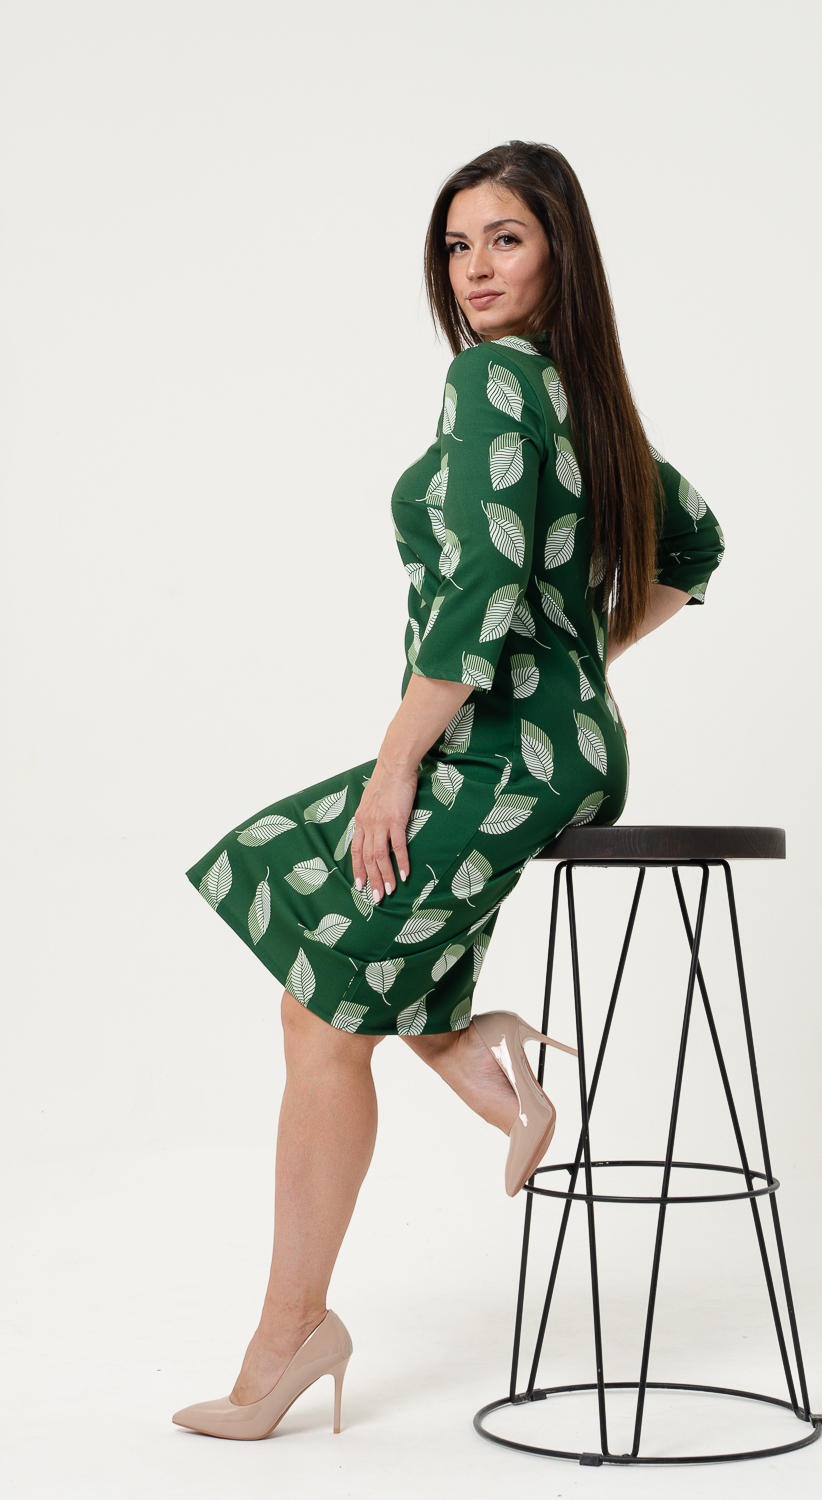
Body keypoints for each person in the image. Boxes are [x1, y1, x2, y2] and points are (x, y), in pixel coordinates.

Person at [173, 140, 724, 1441]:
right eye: (457, 245)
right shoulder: (585, 403)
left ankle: (291, 1335)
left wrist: (398, 760)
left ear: (560, 253)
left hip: (494, 744)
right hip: (558, 744)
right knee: (303, 894)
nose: (475, 268)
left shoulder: (495, 381)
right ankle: (479, 1060)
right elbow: (694, 540)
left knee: (323, 1013)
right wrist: (582, 669)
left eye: (505, 240)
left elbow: (480, 588)